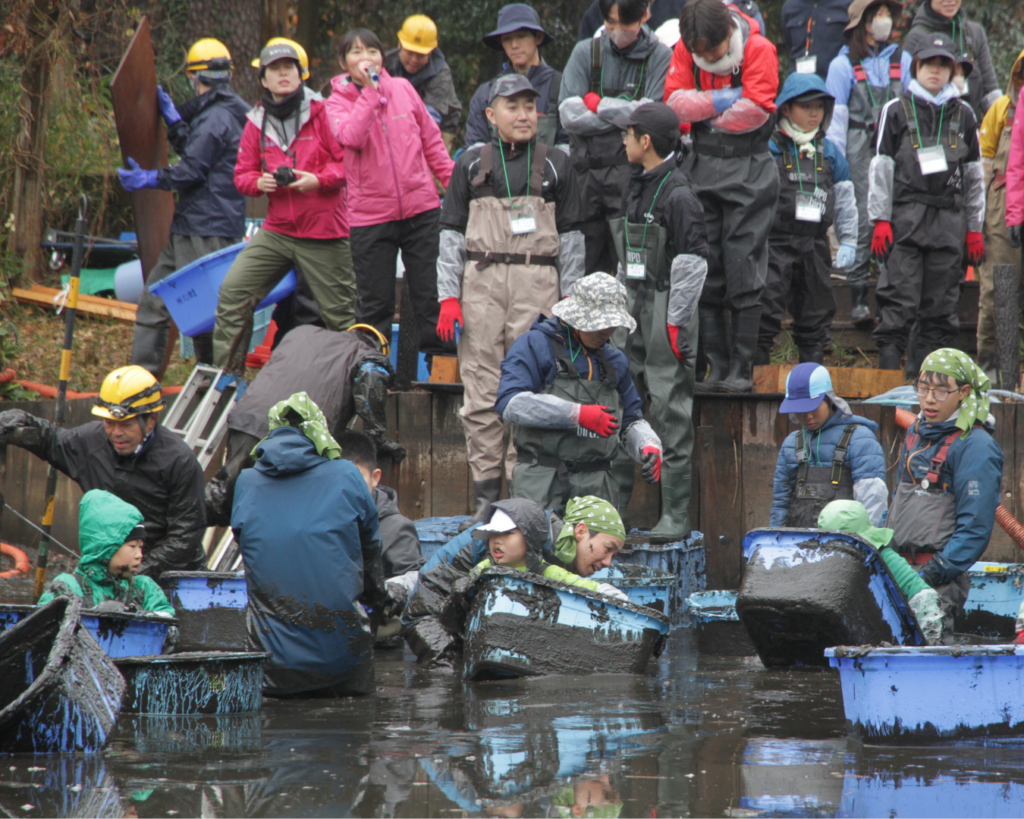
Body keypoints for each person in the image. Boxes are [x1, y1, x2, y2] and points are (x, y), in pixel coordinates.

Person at [437, 74, 585, 530]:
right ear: (490, 114)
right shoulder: (468, 165)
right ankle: (486, 499)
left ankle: (524, 500)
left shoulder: (557, 164)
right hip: (479, 287)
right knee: (480, 395)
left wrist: (571, 302)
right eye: (512, 106)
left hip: (537, 284)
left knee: (531, 392)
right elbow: (450, 236)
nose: (523, 115)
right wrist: (447, 298)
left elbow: (575, 240)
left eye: (529, 106)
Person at [231, 392, 389, 697]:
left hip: (273, 664)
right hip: (345, 657)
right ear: (321, 432)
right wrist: (376, 617)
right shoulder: (346, 474)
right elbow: (372, 554)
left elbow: (249, 550)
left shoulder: (247, 481)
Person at [214, 41, 352, 383]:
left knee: (343, 317)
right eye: (275, 69)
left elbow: (348, 164)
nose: (283, 74)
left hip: (324, 232)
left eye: (289, 68)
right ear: (264, 79)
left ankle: (360, 386)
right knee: (233, 292)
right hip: (278, 230)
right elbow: (241, 176)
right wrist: (259, 183)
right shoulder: (255, 122)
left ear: (301, 74)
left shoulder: (322, 112)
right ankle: (226, 380)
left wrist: (316, 181)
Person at [664, 0, 780, 393]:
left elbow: (757, 109)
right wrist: (722, 101)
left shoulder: (759, 48)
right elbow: (674, 100)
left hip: (749, 169)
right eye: (699, 54)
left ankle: (743, 367)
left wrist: (704, 116)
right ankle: (715, 363)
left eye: (712, 52)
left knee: (742, 262)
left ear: (728, 33)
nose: (706, 58)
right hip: (701, 166)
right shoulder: (686, 49)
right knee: (706, 261)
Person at [118, 38, 250, 374]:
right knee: (155, 304)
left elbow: (192, 169)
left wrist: (148, 178)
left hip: (205, 229)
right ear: (228, 74)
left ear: (195, 77)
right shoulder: (227, 113)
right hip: (195, 226)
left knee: (203, 312)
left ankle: (214, 384)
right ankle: (142, 383)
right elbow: (201, 153)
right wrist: (176, 124)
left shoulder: (216, 117)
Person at [0, 366, 206, 579]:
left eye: (126, 425)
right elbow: (52, 440)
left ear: (151, 420)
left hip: (172, 577)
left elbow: (184, 537)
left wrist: (135, 573)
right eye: (109, 423)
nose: (116, 433)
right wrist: (23, 420)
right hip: (112, 572)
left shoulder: (179, 461)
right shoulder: (92, 442)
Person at [609, 102, 708, 537]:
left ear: (645, 141)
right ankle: (613, 510)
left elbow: (694, 262)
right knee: (618, 401)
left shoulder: (679, 194)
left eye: (627, 135)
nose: (622, 141)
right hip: (630, 305)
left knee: (669, 410)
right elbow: (623, 257)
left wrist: (675, 321)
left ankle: (675, 515)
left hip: (666, 305)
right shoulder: (637, 183)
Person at [327, 28, 455, 361]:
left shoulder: (403, 88)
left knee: (431, 294)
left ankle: (440, 368)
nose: (365, 58)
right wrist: (370, 94)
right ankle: (373, 374)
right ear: (343, 62)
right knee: (375, 304)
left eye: (372, 50)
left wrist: (455, 187)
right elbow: (352, 137)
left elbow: (432, 142)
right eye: (356, 53)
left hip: (421, 208)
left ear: (383, 57)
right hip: (370, 218)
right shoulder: (335, 102)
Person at [496, 273, 662, 514]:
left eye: (611, 325)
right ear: (575, 316)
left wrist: (648, 445)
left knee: (596, 551)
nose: (605, 332)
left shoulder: (616, 361)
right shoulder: (534, 345)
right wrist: (575, 414)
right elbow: (510, 403)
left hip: (597, 487)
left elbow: (630, 421)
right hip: (542, 483)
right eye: (598, 324)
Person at [205, 324, 402, 525]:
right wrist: (376, 438)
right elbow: (371, 377)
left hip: (248, 418)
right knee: (279, 512)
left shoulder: (302, 332)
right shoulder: (366, 354)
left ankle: (184, 525)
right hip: (294, 438)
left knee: (228, 497)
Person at [868, 34, 985, 371]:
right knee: (898, 303)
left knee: (940, 310)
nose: (935, 70)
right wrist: (880, 220)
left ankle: (926, 389)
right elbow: (881, 169)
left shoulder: (965, 115)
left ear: (953, 70)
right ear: (916, 66)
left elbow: (974, 177)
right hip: (905, 219)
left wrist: (973, 230)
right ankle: (889, 387)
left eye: (943, 64)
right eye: (929, 63)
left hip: (949, 223)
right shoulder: (895, 109)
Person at [403, 495, 627, 666]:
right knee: (450, 671)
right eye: (608, 549)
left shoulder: (546, 550)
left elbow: (564, 580)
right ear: (580, 531)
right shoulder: (512, 544)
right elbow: (426, 594)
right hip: (428, 613)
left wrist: (599, 590)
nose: (608, 562)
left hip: (462, 615)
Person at [886, 349, 1003, 635]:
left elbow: (974, 529)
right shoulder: (915, 433)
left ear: (963, 392)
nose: (928, 398)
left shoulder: (975, 446)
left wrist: (930, 575)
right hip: (898, 571)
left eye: (940, 391)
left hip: (938, 579)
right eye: (923, 388)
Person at [560, 0, 673, 275]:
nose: (617, 31)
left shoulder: (660, 56)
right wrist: (627, 115)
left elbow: (651, 116)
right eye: (611, 23)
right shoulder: (585, 52)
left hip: (632, 179)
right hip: (584, 178)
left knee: (631, 270)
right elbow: (568, 114)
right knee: (584, 268)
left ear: (645, 16)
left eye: (626, 24)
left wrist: (597, 104)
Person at [758, 73, 859, 365]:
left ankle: (813, 383)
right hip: (774, 244)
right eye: (806, 106)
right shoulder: (769, 147)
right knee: (764, 312)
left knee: (815, 316)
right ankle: (755, 380)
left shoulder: (831, 153)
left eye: (819, 106)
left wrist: (849, 239)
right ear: (786, 108)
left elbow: (845, 202)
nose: (814, 113)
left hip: (815, 245)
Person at [824, 0, 909, 325]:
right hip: (859, 147)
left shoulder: (904, 59)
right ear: (863, 22)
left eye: (888, 15)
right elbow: (835, 122)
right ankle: (858, 297)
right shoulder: (842, 65)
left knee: (894, 215)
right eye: (878, 15)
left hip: (896, 149)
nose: (885, 21)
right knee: (860, 218)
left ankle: (890, 294)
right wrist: (837, 166)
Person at [771, 363, 887, 527]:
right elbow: (781, 502)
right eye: (800, 409)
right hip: (798, 545)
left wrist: (867, 545)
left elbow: (873, 502)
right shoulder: (791, 443)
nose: (808, 416)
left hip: (846, 545)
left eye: (813, 407)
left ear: (830, 400)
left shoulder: (860, 439)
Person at [817, 500, 944, 644]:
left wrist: (924, 649)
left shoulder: (884, 559)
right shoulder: (815, 562)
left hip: (882, 646)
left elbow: (926, 599)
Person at [38, 489, 175, 616]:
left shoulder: (144, 588)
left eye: (141, 547)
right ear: (107, 548)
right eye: (132, 546)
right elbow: (41, 627)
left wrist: (141, 616)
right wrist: (95, 615)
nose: (139, 555)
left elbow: (169, 626)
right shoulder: (68, 587)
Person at [975, 48, 1024, 381]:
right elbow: (983, 165)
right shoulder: (1001, 110)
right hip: (1001, 205)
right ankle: (988, 362)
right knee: (995, 286)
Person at [337, 429, 424, 605]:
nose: (347, 488)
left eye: (356, 478)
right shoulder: (318, 521)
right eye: (337, 479)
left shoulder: (396, 528)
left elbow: (414, 581)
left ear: (375, 477)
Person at [463, 4, 568, 149]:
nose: (514, 45)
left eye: (521, 36)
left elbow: (570, 148)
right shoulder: (486, 93)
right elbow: (474, 152)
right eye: (507, 39)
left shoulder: (562, 87)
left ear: (538, 38)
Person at [902, 0, 1001, 120]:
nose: (950, 1)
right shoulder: (917, 37)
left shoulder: (974, 33)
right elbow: (908, 92)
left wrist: (1002, 119)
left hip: (973, 127)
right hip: (932, 127)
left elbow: (990, 90)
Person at [385, 15, 463, 147]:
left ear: (431, 52)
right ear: (399, 45)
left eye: (421, 55)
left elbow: (431, 117)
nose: (414, 60)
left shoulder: (441, 74)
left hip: (438, 123)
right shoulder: (386, 64)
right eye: (409, 53)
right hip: (393, 119)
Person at [780, 0, 850, 80]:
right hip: (800, 85)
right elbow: (789, 42)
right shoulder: (790, 7)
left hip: (834, 82)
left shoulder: (847, 4)